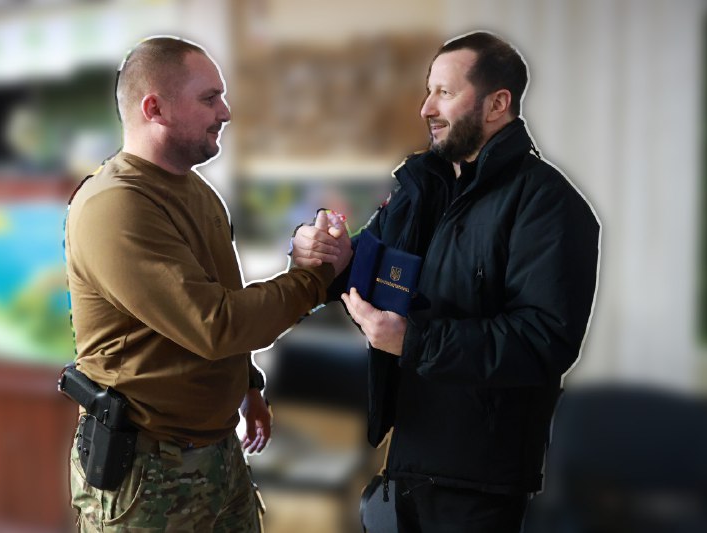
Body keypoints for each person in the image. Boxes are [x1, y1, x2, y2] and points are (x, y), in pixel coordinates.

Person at [292, 31, 600, 532]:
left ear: (497, 103)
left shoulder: (548, 204)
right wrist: (324, 255)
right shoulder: (422, 187)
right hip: (407, 455)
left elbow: (543, 340)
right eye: (428, 90)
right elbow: (368, 270)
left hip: (480, 479)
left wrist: (414, 341)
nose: (426, 108)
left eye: (445, 93)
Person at [64, 36, 350, 532]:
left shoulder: (197, 190)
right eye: (209, 98)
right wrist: (315, 277)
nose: (226, 112)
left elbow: (219, 298)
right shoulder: (115, 206)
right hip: (146, 470)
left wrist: (248, 386)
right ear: (155, 108)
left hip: (217, 454)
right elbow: (215, 324)